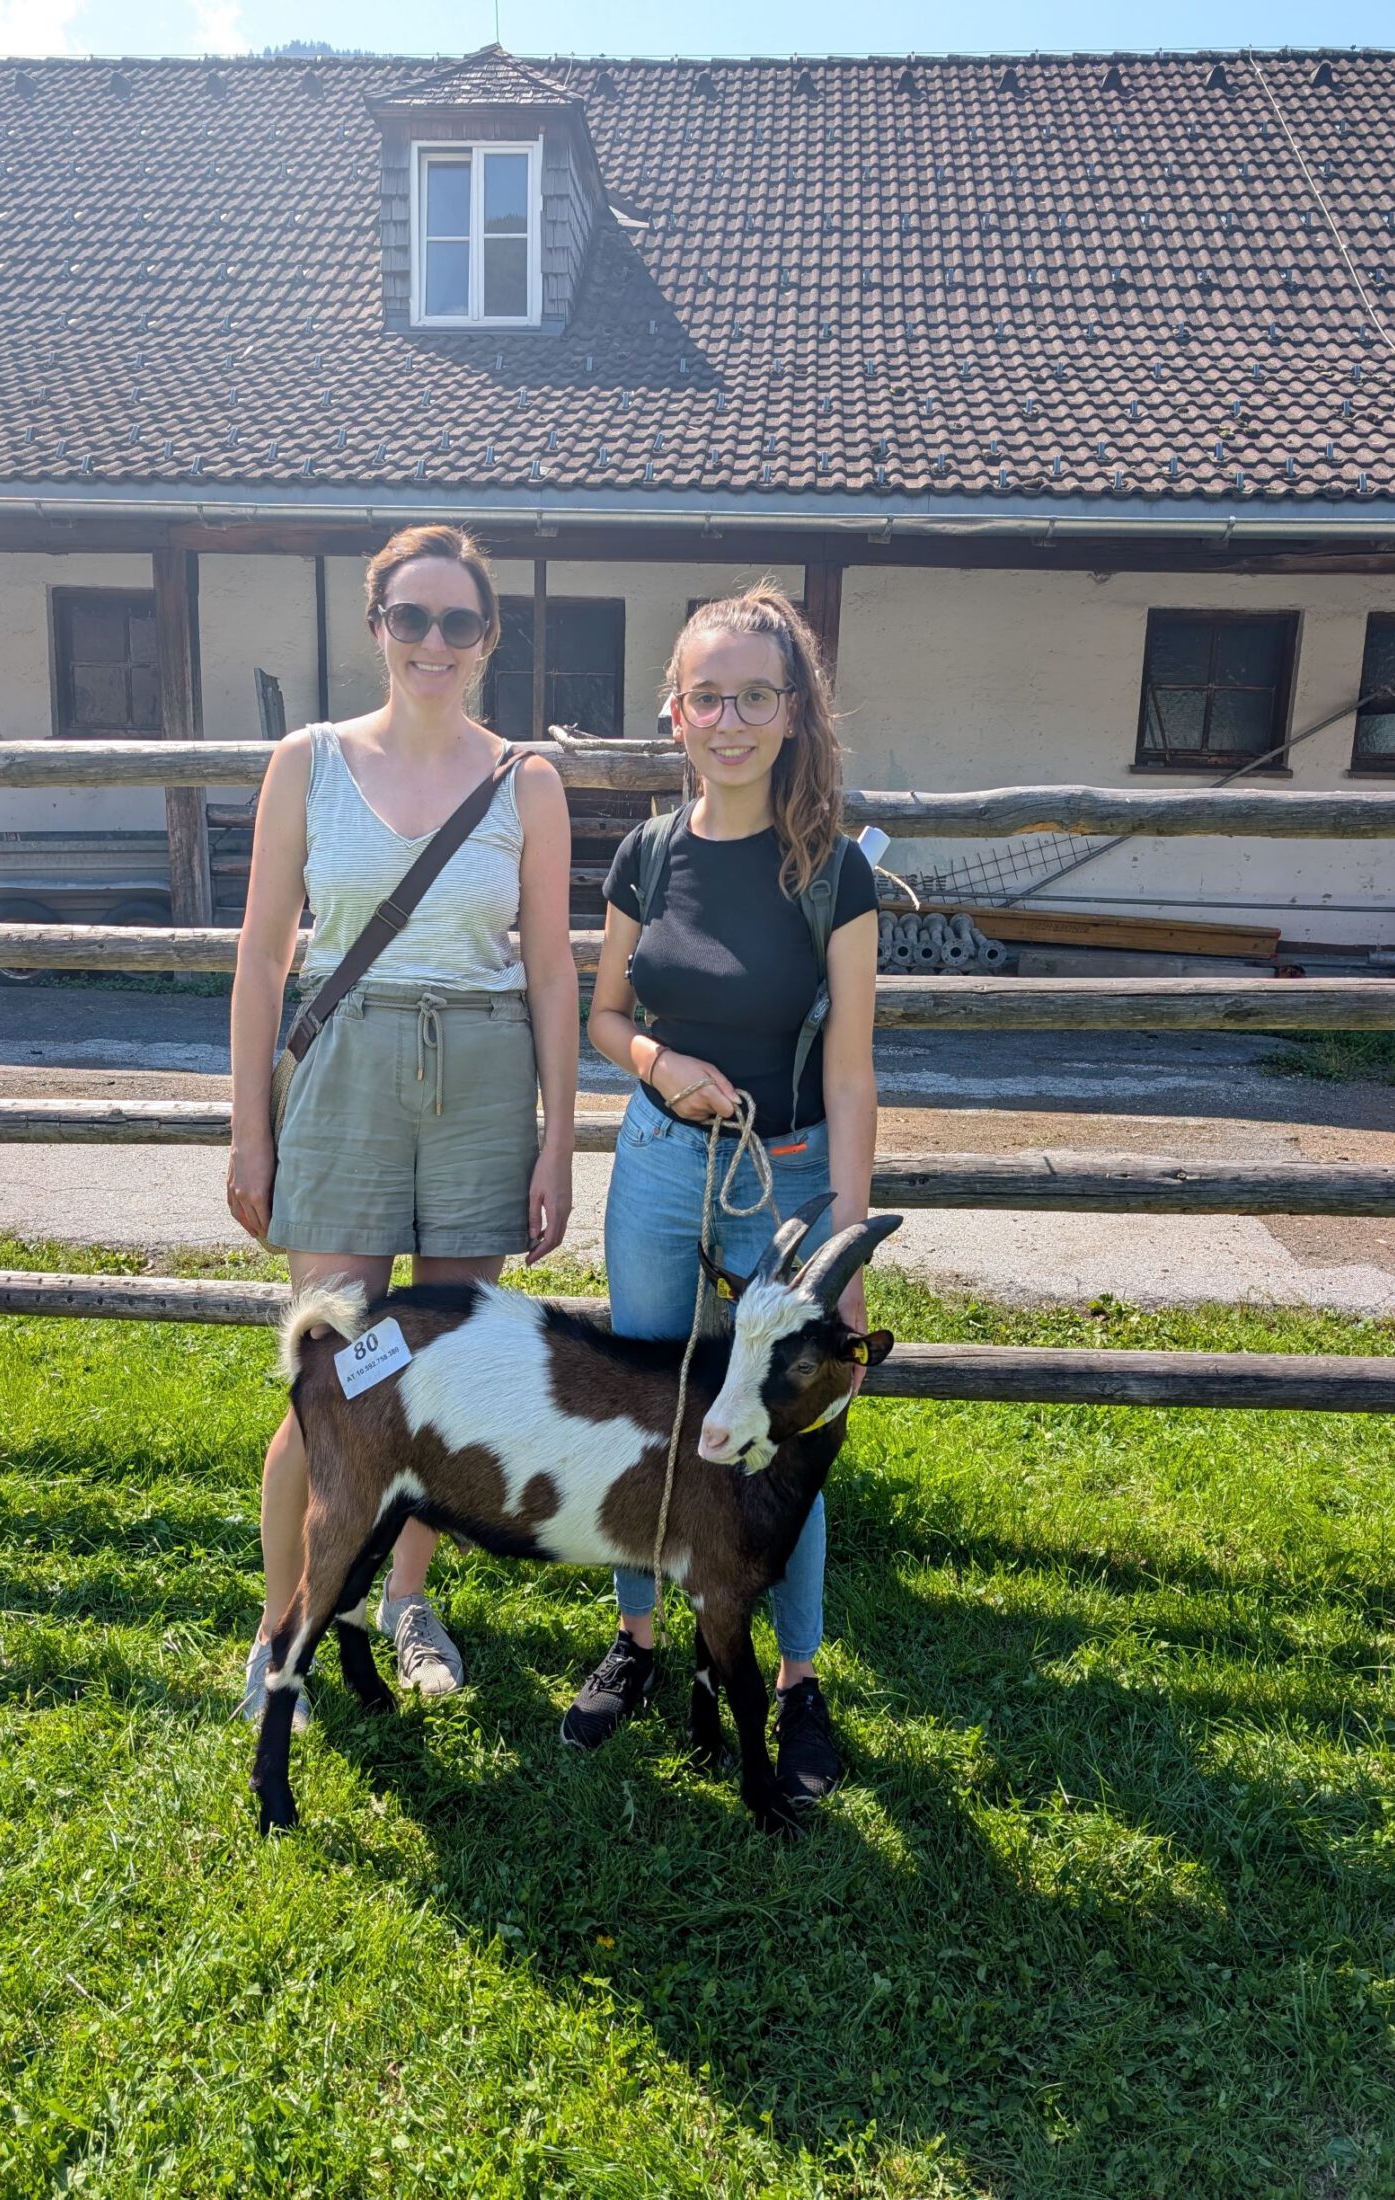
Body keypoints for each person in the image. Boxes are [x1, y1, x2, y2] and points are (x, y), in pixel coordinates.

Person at [226, 523, 577, 1722]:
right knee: (333, 1373)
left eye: (458, 620)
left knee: (447, 1369)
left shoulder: (527, 781)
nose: (435, 640)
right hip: (347, 1071)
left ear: (487, 638)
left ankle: (405, 1598)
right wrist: (250, 1128)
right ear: (377, 626)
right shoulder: (309, 762)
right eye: (411, 617)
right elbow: (264, 956)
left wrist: (558, 1137)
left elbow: (550, 971)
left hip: (483, 1077)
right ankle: (284, 1626)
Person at [568, 584, 879, 1805]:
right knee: (645, 1411)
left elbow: (850, 1071)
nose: (731, 720)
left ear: (795, 711)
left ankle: (796, 1679)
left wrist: (846, 1255)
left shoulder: (832, 872)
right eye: (709, 697)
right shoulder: (647, 853)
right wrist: (656, 1061)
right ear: (676, 711)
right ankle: (641, 1638)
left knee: (777, 1433)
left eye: (757, 696)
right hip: (657, 1162)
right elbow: (605, 1014)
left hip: (785, 1180)